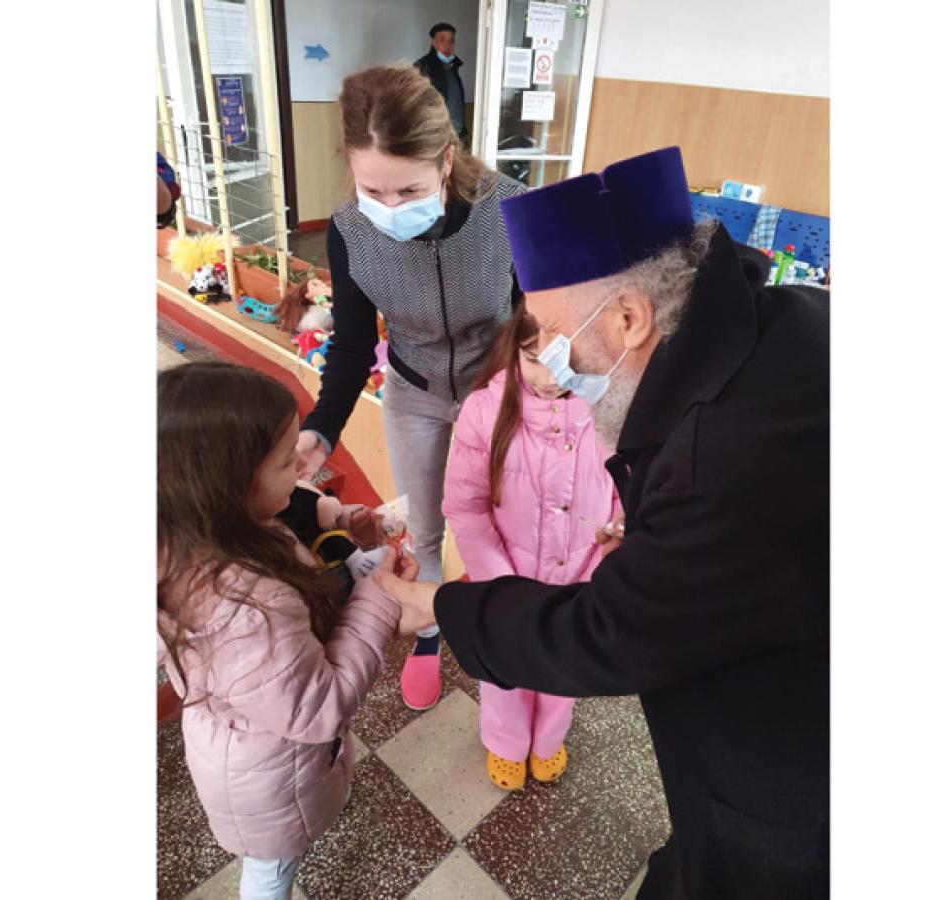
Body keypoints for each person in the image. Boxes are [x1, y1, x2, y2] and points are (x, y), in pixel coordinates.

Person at [374, 147, 829, 899]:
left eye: (550, 331)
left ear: (628, 318)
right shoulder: (784, 323)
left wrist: (439, 604)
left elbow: (607, 635)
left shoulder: (719, 454)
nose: (547, 359)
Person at [295, 64, 525, 712]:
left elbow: (534, 317)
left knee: (502, 523)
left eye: (410, 189)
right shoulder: (350, 229)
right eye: (374, 189)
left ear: (446, 159)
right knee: (424, 530)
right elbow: (350, 344)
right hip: (414, 391)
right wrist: (321, 429)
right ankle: (428, 631)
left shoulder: (508, 208)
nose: (392, 208)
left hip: (495, 391)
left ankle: (504, 638)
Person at [157, 362, 411, 900]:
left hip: (263, 751)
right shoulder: (246, 611)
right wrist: (380, 594)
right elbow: (319, 708)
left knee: (299, 817)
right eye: (283, 460)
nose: (301, 465)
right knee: (271, 871)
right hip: (270, 781)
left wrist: (343, 519)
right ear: (230, 485)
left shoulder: (202, 530)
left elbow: (294, 505)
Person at [441, 304, 619, 790]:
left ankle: (549, 739)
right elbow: (465, 507)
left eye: (564, 362)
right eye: (533, 358)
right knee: (505, 672)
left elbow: (626, 487)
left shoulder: (610, 407)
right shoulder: (485, 409)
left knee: (567, 666)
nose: (548, 378)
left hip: (583, 575)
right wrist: (499, 583)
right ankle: (506, 742)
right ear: (513, 350)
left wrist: (616, 540)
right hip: (508, 576)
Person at [414, 23, 468, 147]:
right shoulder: (422, 67)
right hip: (435, 138)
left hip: (457, 135)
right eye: (442, 40)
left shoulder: (453, 67)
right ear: (433, 42)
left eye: (451, 41)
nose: (447, 45)